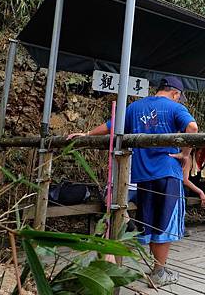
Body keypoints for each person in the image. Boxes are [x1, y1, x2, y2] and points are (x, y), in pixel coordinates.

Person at [68, 76, 197, 287]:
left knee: (151, 222)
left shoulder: (135, 107)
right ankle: (159, 271)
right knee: (165, 224)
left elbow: (111, 125)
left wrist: (87, 133)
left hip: (143, 175)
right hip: (168, 173)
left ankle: (158, 267)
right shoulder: (174, 108)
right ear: (176, 94)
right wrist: (185, 154)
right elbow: (192, 128)